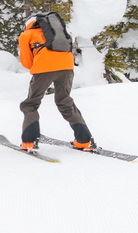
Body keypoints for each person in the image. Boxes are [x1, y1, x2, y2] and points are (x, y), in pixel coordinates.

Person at [17, 14, 95, 153]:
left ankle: (29, 141)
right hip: (67, 68)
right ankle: (84, 140)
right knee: (64, 101)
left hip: (43, 70)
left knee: (31, 103)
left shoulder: (26, 35)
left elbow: (27, 63)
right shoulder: (58, 33)